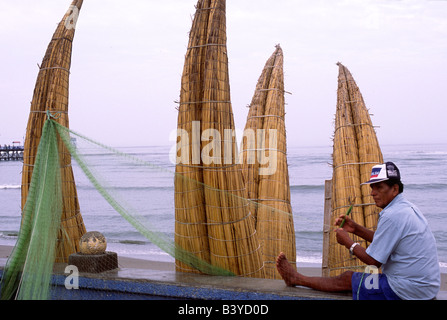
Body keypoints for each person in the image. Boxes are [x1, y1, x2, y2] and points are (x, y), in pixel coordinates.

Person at [276, 162, 441, 300]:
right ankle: (297, 278)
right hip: (425, 287)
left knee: (347, 278)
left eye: (379, 187)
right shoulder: (406, 208)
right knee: (353, 286)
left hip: (408, 289)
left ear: (395, 189)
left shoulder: (392, 215)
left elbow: (374, 262)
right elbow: (385, 241)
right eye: (372, 187)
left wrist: (348, 242)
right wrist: (355, 228)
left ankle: (296, 278)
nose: (372, 193)